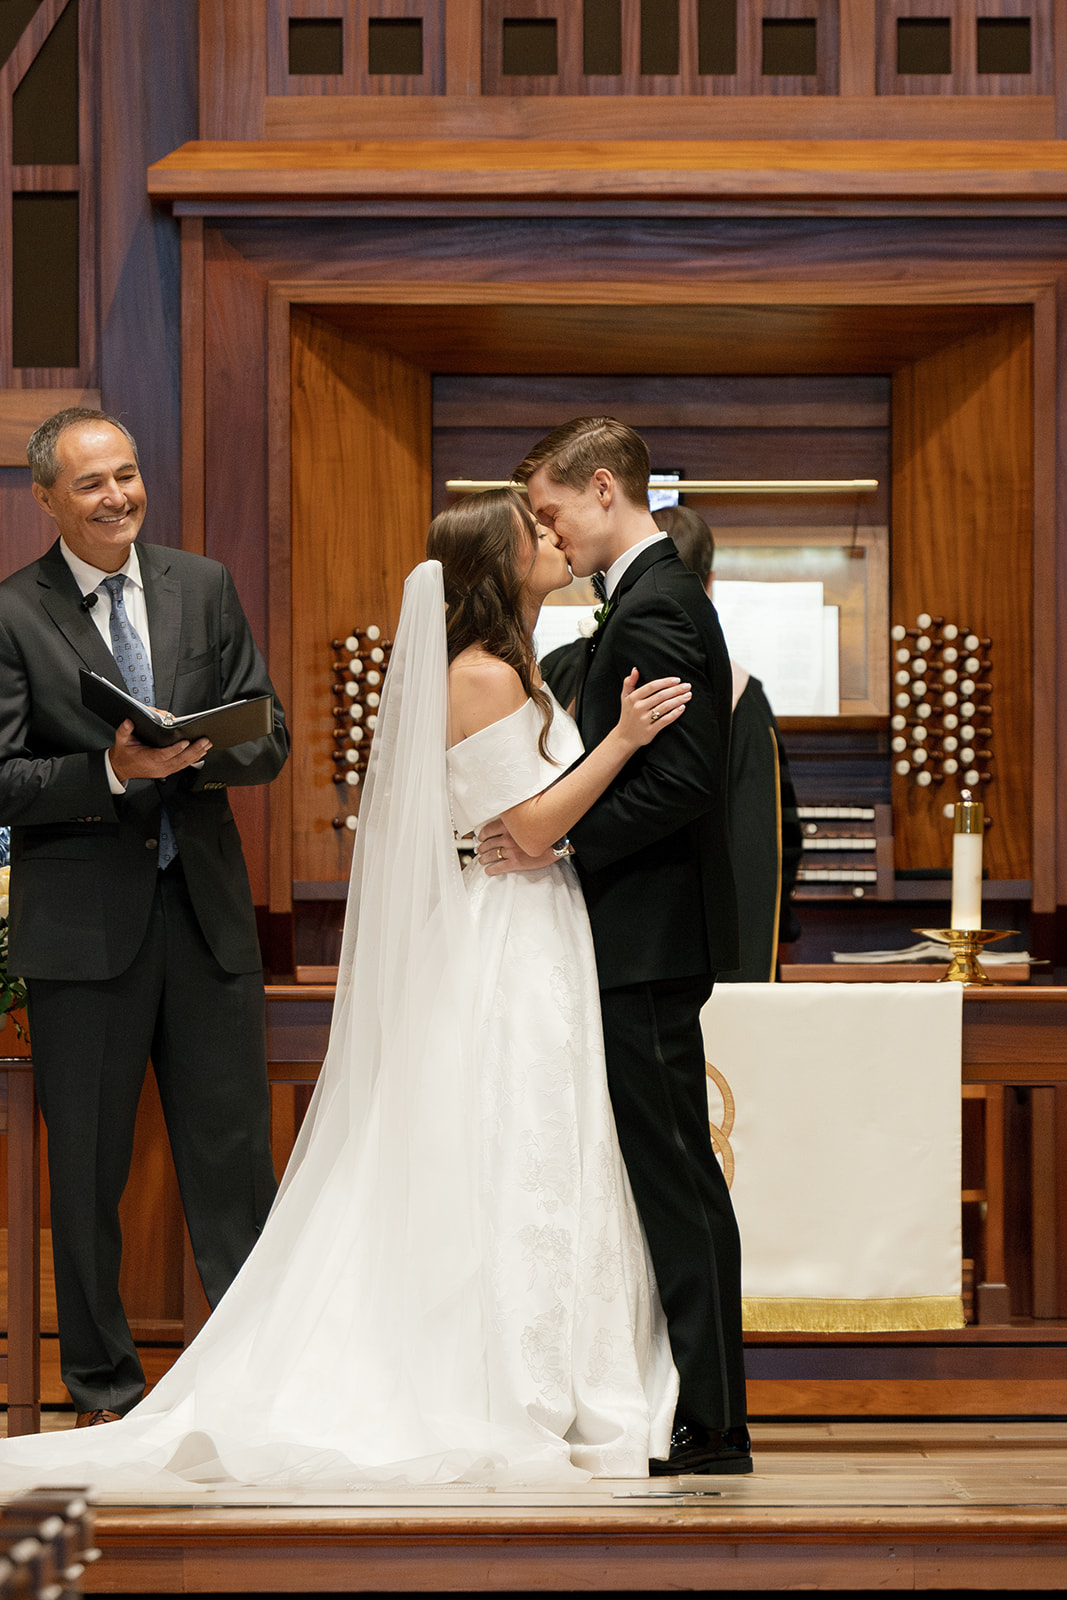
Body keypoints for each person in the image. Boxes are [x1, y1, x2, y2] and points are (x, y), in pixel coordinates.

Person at [0, 488, 682, 1489]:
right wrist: (622, 740)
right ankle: (501, 1375)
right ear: (495, 567)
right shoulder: (485, 677)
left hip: (534, 930)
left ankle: (551, 1356)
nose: (552, 539)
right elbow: (527, 829)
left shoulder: (524, 664)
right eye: (532, 533)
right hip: (503, 936)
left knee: (533, 1140)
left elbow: (511, 821)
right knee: (508, 1135)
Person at [0, 408, 289, 1427]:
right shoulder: (13, 612)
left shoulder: (201, 585)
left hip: (206, 920)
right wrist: (112, 769)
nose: (119, 495)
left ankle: (252, 1387)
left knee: (235, 1168)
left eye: (127, 475)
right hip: (83, 939)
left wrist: (205, 746)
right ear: (46, 498)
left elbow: (272, 732)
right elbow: (2, 779)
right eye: (92, 483)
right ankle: (102, 1394)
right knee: (86, 1177)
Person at [483, 417, 751, 1475]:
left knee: (678, 1177)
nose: (548, 528)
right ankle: (694, 1402)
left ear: (603, 489)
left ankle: (715, 1423)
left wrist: (552, 841)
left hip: (642, 936)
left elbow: (684, 782)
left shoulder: (656, 604)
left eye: (551, 510)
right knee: (660, 1173)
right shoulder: (640, 603)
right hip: (628, 934)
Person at [543, 504, 802, 981]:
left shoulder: (562, 668)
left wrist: (553, 842)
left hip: (614, 917)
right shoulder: (743, 698)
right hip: (683, 927)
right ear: (710, 580)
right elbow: (771, 835)